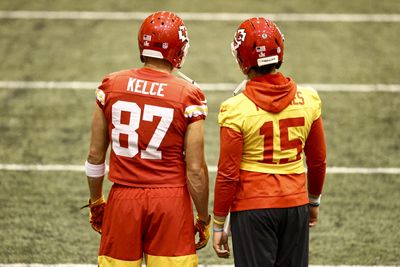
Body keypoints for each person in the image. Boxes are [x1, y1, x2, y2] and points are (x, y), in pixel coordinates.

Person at [83, 11, 210, 267]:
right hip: (171, 202)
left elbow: (95, 156)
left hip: (123, 199)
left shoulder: (111, 85)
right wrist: (203, 217)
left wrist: (96, 200)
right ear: (178, 49)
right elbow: (195, 170)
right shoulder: (189, 95)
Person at [212, 17, 327, 267]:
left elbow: (228, 174)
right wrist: (313, 200)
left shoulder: (235, 108)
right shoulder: (309, 99)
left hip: (252, 207)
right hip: (295, 204)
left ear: (243, 62)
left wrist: (219, 222)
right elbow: (317, 162)